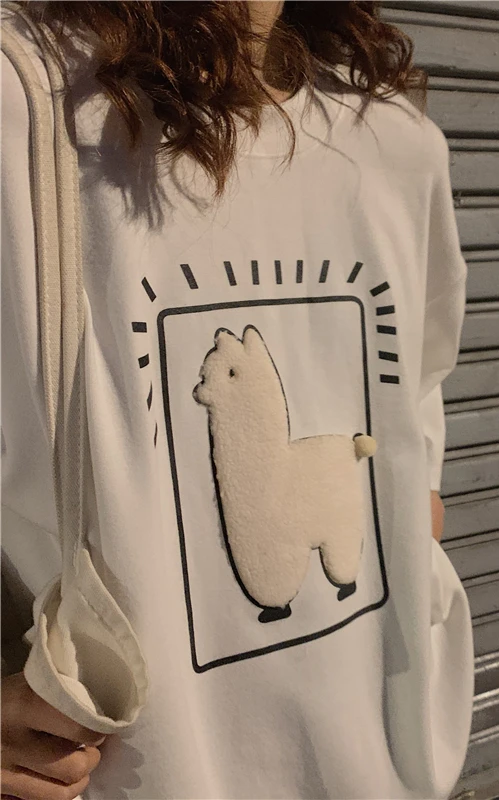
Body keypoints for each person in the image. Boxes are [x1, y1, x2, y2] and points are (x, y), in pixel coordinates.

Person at [0, 1, 474, 798]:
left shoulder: (395, 145)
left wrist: (411, 526)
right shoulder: (23, 108)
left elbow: (416, 398)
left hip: (380, 766)